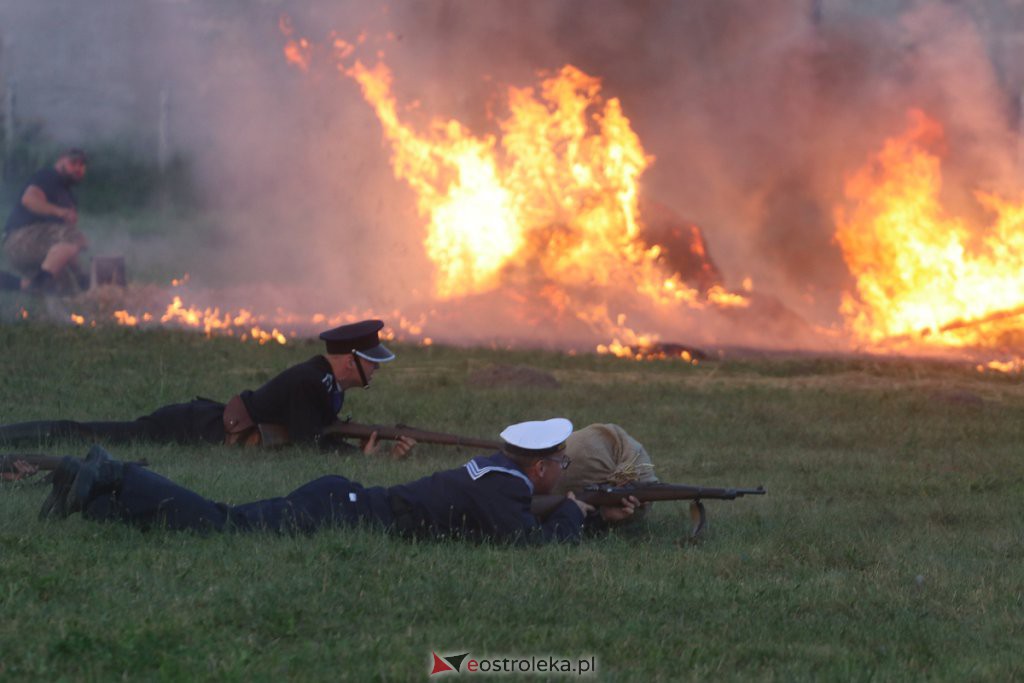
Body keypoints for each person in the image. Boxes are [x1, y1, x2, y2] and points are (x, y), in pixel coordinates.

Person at [38, 418, 639, 544]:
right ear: (538, 467)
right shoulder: (509, 488)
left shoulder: (500, 475)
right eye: (559, 466)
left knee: (225, 522)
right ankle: (117, 472)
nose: (561, 472)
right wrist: (575, 514)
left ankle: (92, 496)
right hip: (343, 512)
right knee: (224, 525)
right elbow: (531, 548)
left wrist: (577, 510)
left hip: (343, 499)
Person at [0, 319, 415, 458]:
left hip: (205, 421)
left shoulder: (324, 383)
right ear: (348, 360)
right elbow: (310, 444)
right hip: (195, 426)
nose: (376, 370)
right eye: (371, 362)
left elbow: (319, 430)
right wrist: (362, 459)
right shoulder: (312, 381)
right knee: (91, 432)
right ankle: (13, 437)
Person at [2, 148, 90, 293]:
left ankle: (19, 283)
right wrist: (60, 212)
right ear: (60, 160)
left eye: (82, 165)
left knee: (65, 290)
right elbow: (29, 200)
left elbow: (67, 248)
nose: (78, 168)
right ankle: (41, 282)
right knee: (75, 236)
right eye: (73, 162)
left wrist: (80, 276)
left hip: (41, 250)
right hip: (18, 239)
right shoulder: (48, 177)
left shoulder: (70, 197)